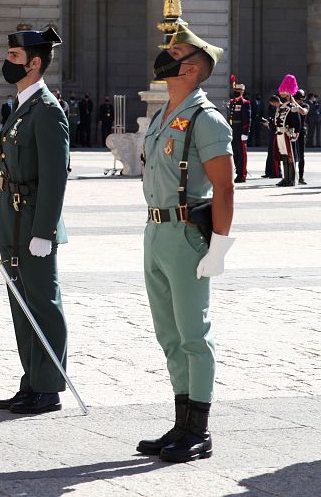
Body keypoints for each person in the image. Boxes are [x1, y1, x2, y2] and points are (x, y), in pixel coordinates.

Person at [137, 23, 235, 463]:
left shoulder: (205, 117)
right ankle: (181, 422)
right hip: (156, 230)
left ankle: (200, 429)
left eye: (174, 52)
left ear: (192, 68)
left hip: (187, 233)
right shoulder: (164, 113)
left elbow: (224, 186)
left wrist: (219, 247)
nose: (165, 55)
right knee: (169, 334)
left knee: (194, 333)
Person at [0, 26, 70, 415]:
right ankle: (31, 380)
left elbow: (56, 176)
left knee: (42, 301)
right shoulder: (22, 105)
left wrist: (44, 232)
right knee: (21, 302)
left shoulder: (48, 110)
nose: (7, 62)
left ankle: (49, 385)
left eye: (15, 57)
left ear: (34, 62)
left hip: (34, 221)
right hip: (13, 215)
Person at [273, 76, 302, 187]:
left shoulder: (292, 106)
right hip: (280, 134)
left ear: (288, 93)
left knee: (290, 157)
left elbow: (297, 121)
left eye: (283, 91)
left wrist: (295, 134)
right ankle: (286, 178)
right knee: (284, 156)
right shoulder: (282, 106)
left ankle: (291, 179)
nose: (281, 93)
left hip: (288, 134)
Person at [227, 79, 250, 183]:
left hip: (240, 130)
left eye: (238, 90)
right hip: (233, 130)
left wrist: (245, 132)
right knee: (235, 152)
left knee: (241, 153)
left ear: (242, 92)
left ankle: (242, 174)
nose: (235, 91)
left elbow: (247, 119)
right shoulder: (232, 102)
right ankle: (238, 171)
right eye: (235, 89)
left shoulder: (245, 103)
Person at [261, 95, 281, 179]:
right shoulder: (272, 108)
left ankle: (276, 172)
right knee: (270, 152)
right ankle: (269, 171)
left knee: (274, 152)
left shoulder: (281, 108)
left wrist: (270, 123)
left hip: (277, 132)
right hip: (272, 131)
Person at [294, 89, 309, 185]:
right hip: (292, 132)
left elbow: (304, 112)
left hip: (301, 132)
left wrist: (295, 104)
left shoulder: (305, 105)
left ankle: (301, 177)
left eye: (302, 99)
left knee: (301, 156)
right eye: (299, 99)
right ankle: (290, 177)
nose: (301, 101)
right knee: (291, 156)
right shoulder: (291, 105)